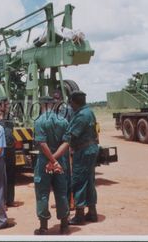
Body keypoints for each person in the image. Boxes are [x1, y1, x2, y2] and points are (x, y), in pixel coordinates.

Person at [33, 96, 70, 235]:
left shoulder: (39, 121)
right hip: (60, 161)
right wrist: (55, 160)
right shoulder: (64, 121)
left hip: (44, 162)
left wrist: (51, 161)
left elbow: (42, 143)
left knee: (42, 193)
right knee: (61, 193)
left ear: (42, 105)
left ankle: (43, 227)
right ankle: (65, 226)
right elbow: (66, 142)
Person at [62, 91, 99, 225]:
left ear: (74, 102)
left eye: (71, 102)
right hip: (91, 149)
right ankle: (92, 212)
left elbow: (71, 135)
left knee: (78, 181)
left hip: (83, 151)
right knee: (89, 181)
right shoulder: (89, 112)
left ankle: (79, 215)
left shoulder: (81, 116)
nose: (70, 105)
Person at [0, 97, 17, 208]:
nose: (8, 106)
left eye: (8, 104)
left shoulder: (10, 117)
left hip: (10, 148)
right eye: (6, 104)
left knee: (11, 174)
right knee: (1, 175)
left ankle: (10, 200)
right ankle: (1, 201)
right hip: (0, 149)